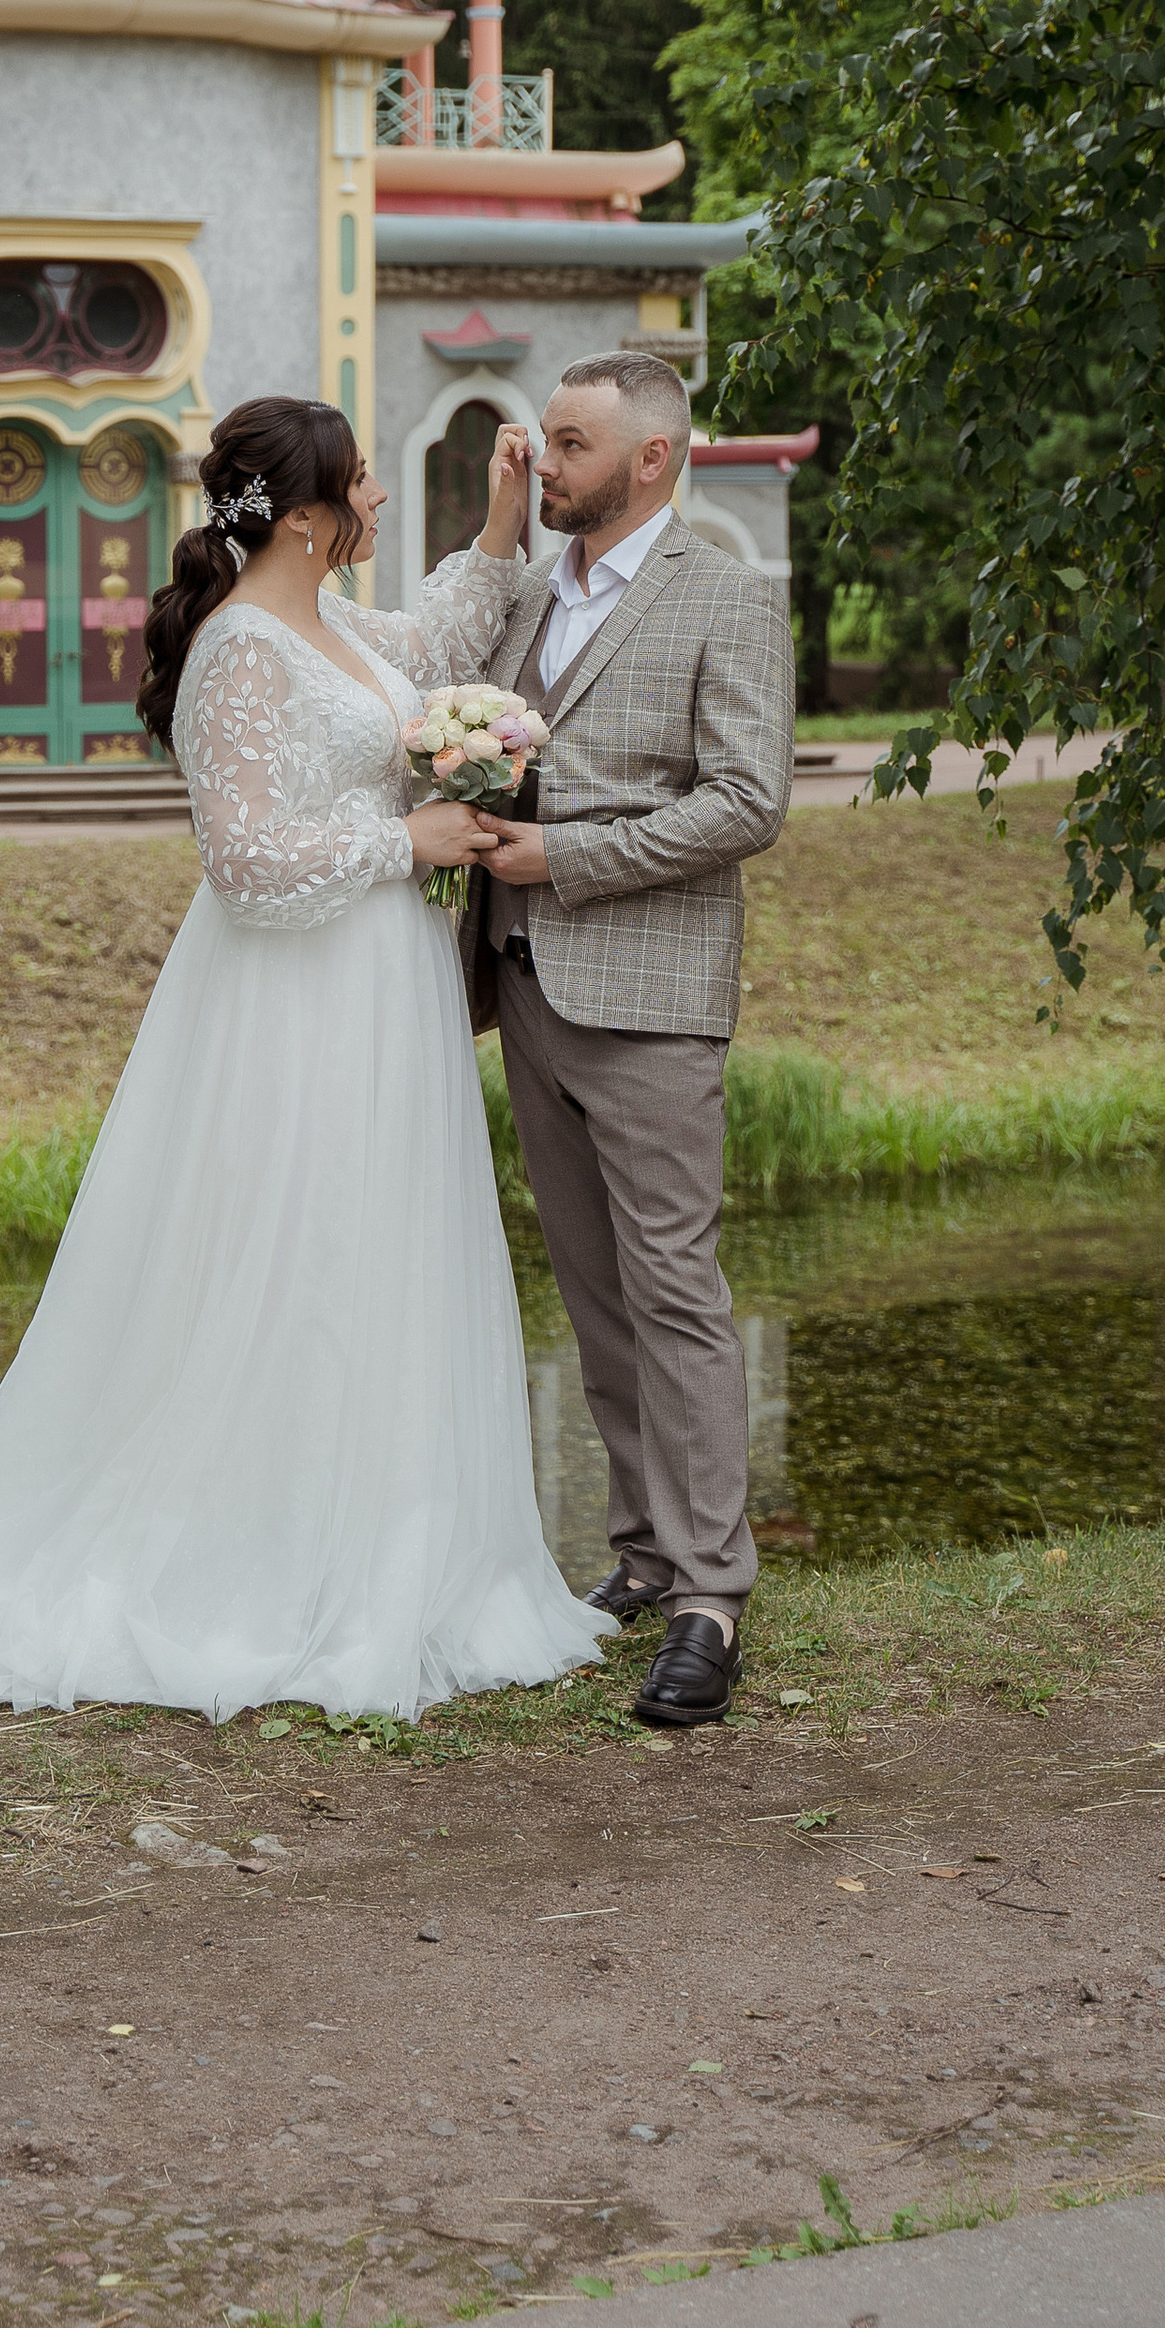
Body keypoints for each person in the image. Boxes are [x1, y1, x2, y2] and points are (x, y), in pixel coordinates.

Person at [0, 394, 609, 1724]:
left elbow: (438, 637)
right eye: (363, 482)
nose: (378, 499)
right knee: (293, 1256)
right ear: (301, 517)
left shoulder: (339, 623)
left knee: (381, 1250)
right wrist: (403, 843)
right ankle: (259, 1569)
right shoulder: (239, 650)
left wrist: (499, 521)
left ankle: (392, 1556)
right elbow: (242, 864)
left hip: (387, 987)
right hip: (295, 1002)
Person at [469, 352, 794, 1728]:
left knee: (674, 1291)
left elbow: (747, 801)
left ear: (651, 458)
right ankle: (645, 1553)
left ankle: (712, 1595)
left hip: (651, 997)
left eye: (569, 444)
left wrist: (567, 859)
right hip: (524, 988)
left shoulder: (728, 596)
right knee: (595, 1293)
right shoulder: (531, 593)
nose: (543, 463)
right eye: (543, 441)